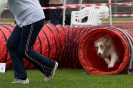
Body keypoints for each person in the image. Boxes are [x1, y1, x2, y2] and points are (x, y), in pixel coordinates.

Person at [6, 0, 58, 84]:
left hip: (32, 17)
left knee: (24, 51)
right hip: (24, 18)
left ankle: (50, 65)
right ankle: (21, 77)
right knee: (12, 44)